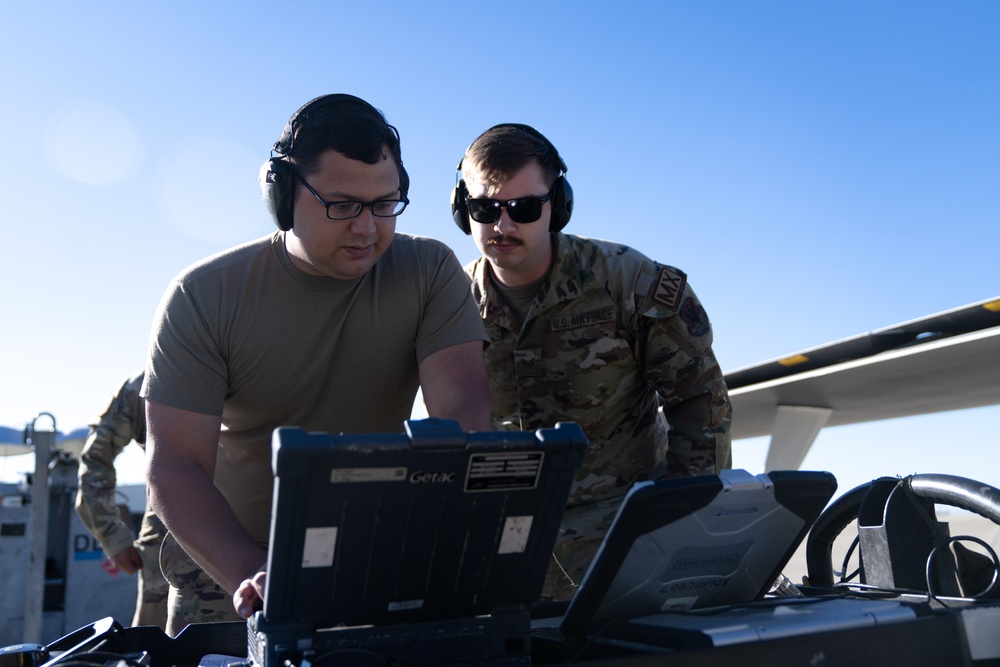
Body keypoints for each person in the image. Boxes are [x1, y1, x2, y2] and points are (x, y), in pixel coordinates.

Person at [142, 93, 491, 635]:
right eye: (343, 205)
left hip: (374, 561)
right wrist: (256, 573)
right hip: (227, 567)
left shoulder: (429, 272)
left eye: (384, 204)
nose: (367, 229)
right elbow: (174, 468)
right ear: (281, 196)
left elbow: (463, 416)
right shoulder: (203, 295)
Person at [451, 123, 733, 600]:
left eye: (523, 208)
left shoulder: (627, 282)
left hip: (628, 544)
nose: (503, 226)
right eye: (484, 208)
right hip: (507, 556)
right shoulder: (449, 305)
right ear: (463, 209)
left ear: (557, 205)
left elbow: (701, 399)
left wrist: (682, 523)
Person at [75, 370, 168, 630]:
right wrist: (113, 536)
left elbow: (95, 461)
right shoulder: (143, 385)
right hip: (172, 544)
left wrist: (113, 537)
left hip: (170, 542)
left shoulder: (146, 382)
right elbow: (96, 461)